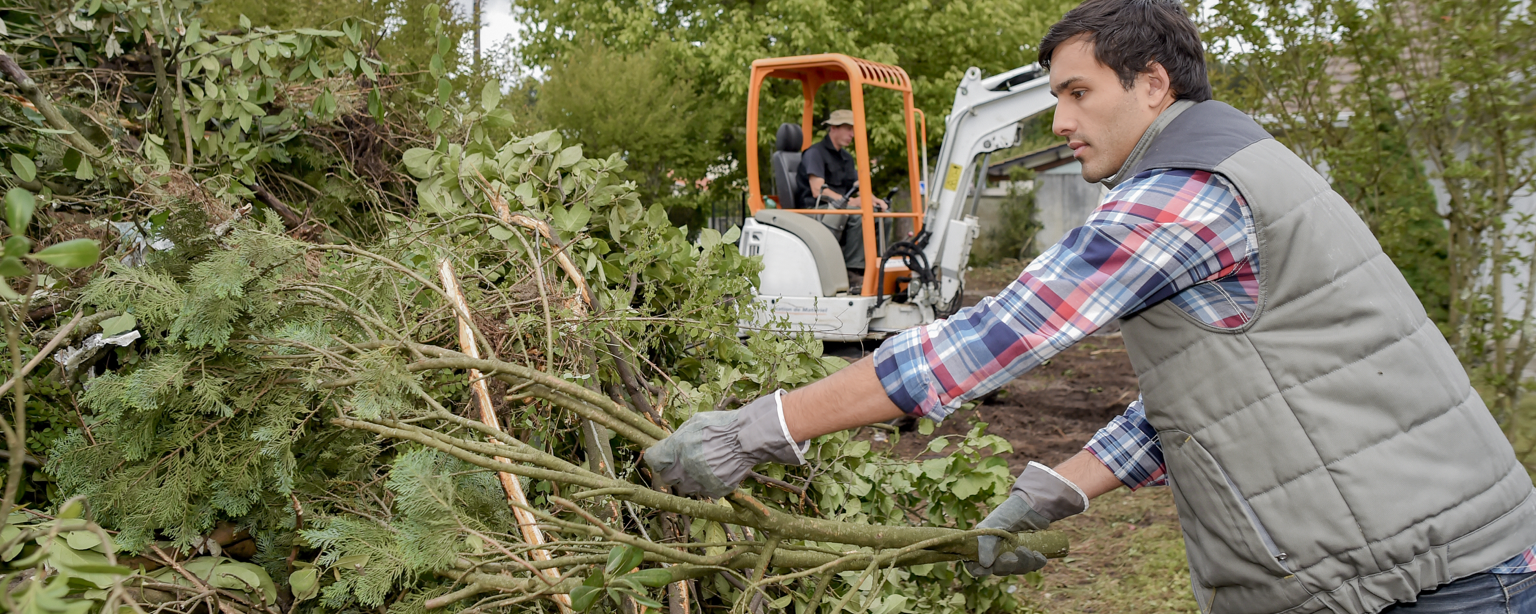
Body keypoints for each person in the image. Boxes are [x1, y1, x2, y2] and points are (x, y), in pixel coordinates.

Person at [645, 1, 1536, 612]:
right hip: (1418, 564)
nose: (1061, 121)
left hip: (1435, 579)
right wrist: (1055, 487)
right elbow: (1216, 391)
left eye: (1078, 94)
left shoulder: (1183, 189)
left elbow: (996, 338)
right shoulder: (1225, 164)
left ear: (1152, 85)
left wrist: (759, 427)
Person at [791, 109, 887, 290]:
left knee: (882, 216)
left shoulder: (846, 158)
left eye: (853, 129)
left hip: (840, 209)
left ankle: (878, 265)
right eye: (848, 128)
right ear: (833, 128)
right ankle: (853, 272)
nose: (852, 134)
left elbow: (859, 186)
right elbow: (818, 190)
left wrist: (875, 200)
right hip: (815, 210)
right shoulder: (815, 153)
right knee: (858, 217)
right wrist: (851, 203)